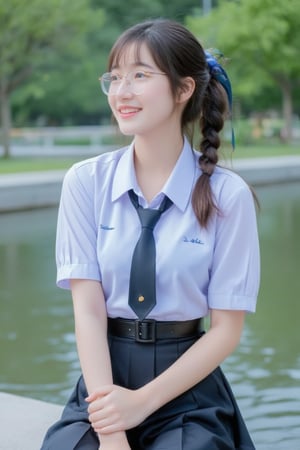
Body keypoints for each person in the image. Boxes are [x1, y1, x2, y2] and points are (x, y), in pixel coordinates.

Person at [41, 18, 260, 450]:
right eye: (115, 77)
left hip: (187, 390)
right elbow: (87, 311)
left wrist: (141, 404)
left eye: (140, 75)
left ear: (183, 90)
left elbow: (225, 330)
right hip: (105, 379)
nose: (121, 92)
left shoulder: (227, 196)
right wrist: (111, 429)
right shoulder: (86, 182)